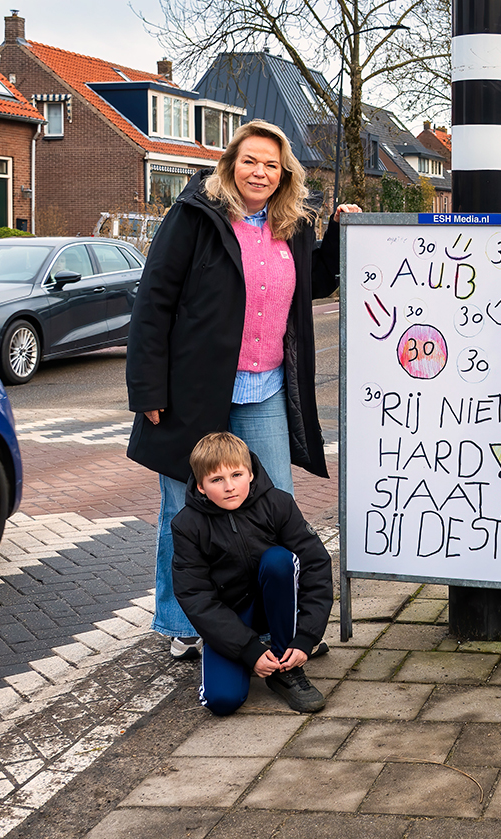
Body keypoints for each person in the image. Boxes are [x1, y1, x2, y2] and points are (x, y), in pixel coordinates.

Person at [126, 119, 359, 660]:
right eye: (250, 161)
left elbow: (316, 282)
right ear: (230, 165)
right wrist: (147, 388)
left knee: (276, 503)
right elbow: (154, 300)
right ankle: (181, 623)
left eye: (271, 165)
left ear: (285, 175)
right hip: (193, 392)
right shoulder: (195, 218)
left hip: (265, 388)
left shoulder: (292, 225)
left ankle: (280, 620)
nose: (260, 172)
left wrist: (338, 236)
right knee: (183, 509)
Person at [172, 432, 333, 714]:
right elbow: (195, 596)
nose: (230, 487)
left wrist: (307, 636)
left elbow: (316, 565)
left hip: (276, 604)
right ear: (200, 486)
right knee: (223, 701)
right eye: (216, 480)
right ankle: (256, 655)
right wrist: (248, 650)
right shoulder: (187, 525)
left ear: (251, 473)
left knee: (279, 560)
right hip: (231, 615)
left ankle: (285, 667)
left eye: (236, 475)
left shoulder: (278, 504)